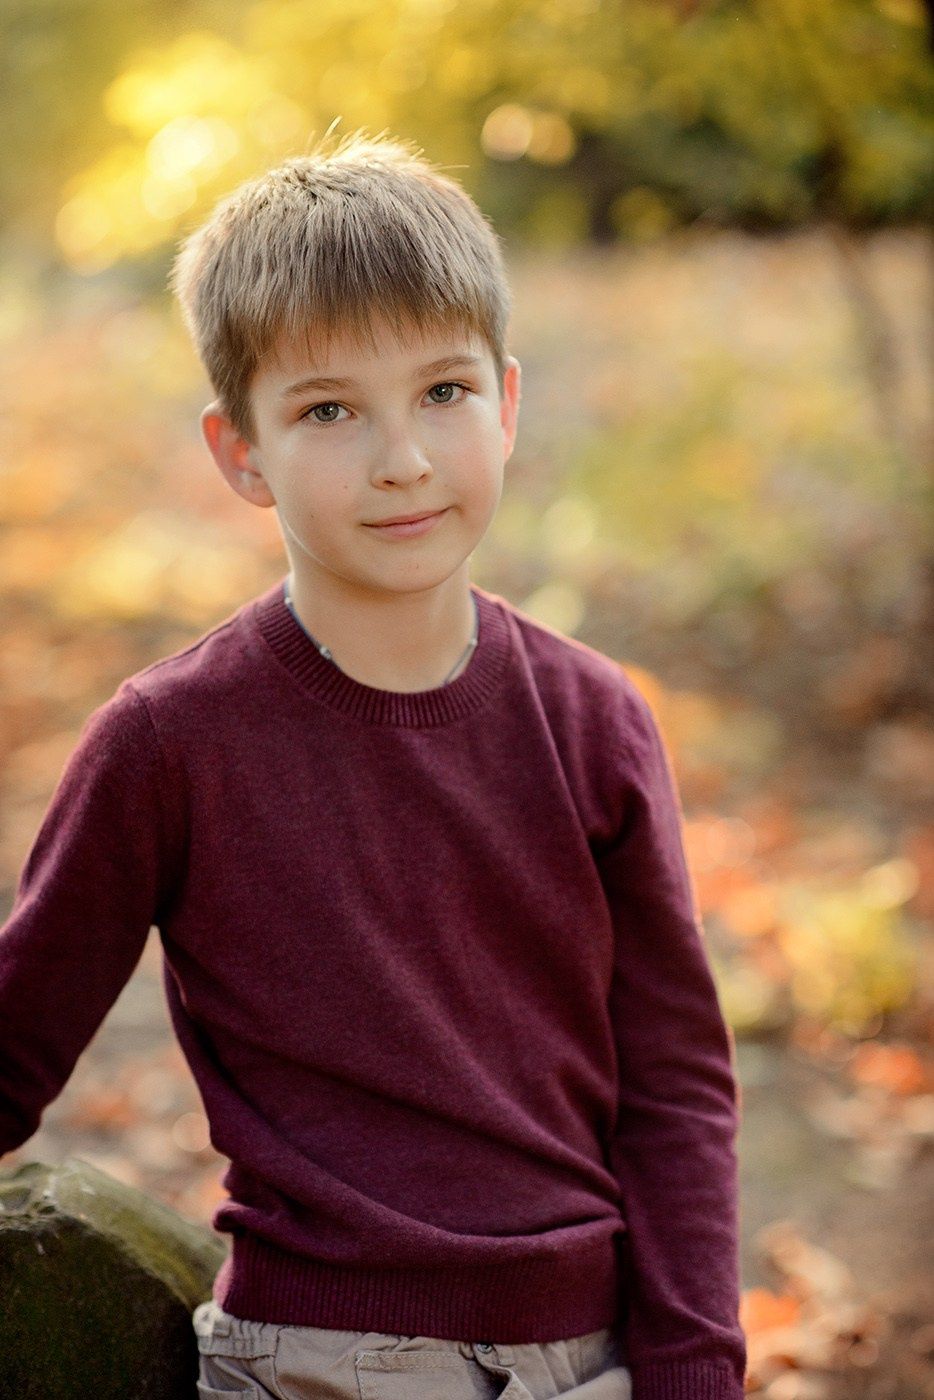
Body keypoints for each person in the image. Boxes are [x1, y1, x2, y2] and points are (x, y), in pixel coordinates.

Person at [0, 132, 746, 1400]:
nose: (402, 457)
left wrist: (692, 1366)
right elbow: (17, 1035)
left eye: (443, 391)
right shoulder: (168, 742)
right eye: (329, 410)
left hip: (594, 1355)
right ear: (240, 451)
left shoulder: (595, 719)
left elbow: (676, 1085)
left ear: (508, 404)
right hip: (318, 1359)